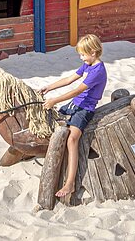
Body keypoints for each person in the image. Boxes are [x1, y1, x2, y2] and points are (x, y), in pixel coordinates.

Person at [41, 34, 107, 201]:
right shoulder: (87, 64)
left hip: (85, 109)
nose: (81, 57)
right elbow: (70, 79)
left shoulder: (98, 70)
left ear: (93, 52)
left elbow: (78, 90)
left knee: (72, 139)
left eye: (83, 54)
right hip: (74, 104)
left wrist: (55, 100)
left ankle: (69, 183)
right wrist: (49, 87)